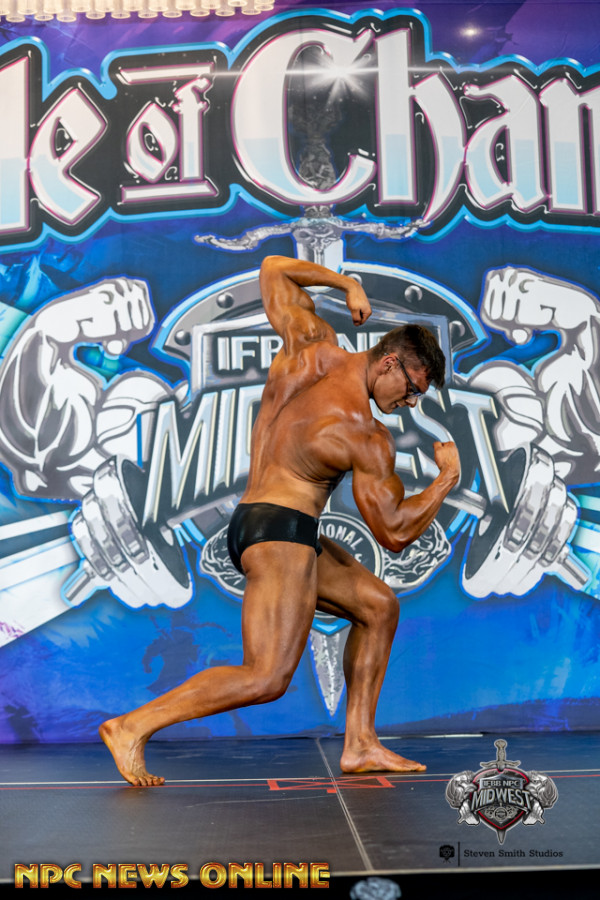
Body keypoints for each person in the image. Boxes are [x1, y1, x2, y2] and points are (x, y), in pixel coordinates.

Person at [100, 255, 460, 786]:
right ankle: (132, 726)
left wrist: (344, 283)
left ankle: (360, 742)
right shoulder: (365, 434)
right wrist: (446, 479)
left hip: (263, 522)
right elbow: (395, 532)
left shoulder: (310, 346)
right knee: (266, 676)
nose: (409, 402)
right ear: (389, 363)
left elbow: (273, 270)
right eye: (412, 389)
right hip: (281, 535)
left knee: (378, 606)